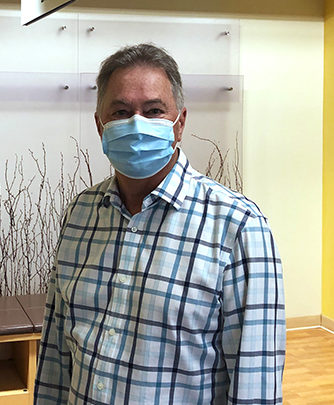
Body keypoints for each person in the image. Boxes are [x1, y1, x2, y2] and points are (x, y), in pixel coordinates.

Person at [34, 44, 285, 404]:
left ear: (179, 124)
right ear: (100, 125)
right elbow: (57, 350)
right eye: (120, 112)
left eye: (154, 111)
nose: (137, 124)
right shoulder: (81, 212)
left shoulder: (238, 227)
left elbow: (254, 384)